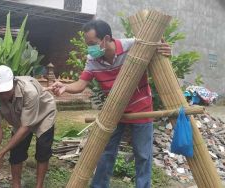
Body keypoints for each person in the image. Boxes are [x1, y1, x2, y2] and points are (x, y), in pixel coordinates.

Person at [49, 19, 171, 188]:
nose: (89, 48)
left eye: (92, 43)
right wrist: (65, 87)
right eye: (87, 44)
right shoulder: (92, 59)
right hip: (114, 111)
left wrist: (164, 50)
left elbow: (158, 46)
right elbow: (81, 84)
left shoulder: (133, 46)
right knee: (106, 152)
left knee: (143, 155)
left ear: (106, 39)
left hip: (141, 109)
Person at [0, 65, 56, 188]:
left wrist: (2, 152)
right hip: (21, 120)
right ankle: (15, 185)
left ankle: (39, 186)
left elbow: (26, 127)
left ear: (13, 83)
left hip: (44, 114)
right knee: (16, 151)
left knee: (43, 149)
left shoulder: (29, 92)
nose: (2, 96)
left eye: (5, 91)